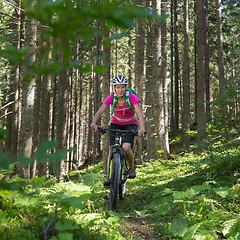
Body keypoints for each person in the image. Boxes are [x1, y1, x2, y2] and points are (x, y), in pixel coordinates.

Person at [90, 75, 145, 186]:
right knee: (112, 149)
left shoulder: (131, 97)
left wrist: (142, 128)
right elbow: (100, 111)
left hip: (130, 123)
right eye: (118, 87)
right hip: (116, 123)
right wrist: (94, 122)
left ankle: (131, 168)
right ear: (114, 88)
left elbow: (140, 114)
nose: (120, 90)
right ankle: (110, 177)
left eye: (123, 87)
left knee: (126, 147)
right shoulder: (111, 97)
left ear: (126, 88)